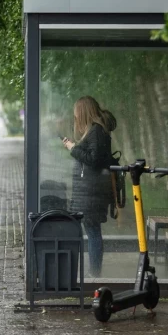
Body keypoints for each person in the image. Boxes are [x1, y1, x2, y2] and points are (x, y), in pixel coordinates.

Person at [62, 96, 115, 277]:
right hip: (89, 191)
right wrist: (76, 147)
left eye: (77, 114)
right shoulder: (94, 131)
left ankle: (95, 273)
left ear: (84, 112)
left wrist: (73, 148)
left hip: (93, 191)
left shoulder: (96, 131)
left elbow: (94, 159)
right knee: (91, 231)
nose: (75, 117)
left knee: (93, 232)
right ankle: (93, 271)